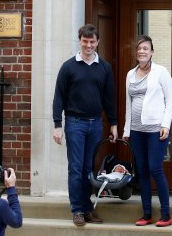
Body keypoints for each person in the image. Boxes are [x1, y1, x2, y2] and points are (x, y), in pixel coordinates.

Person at [52, 24, 118, 226]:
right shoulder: (68, 67)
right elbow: (58, 97)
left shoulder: (104, 67)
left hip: (95, 124)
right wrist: (57, 124)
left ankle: (87, 208)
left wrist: (113, 123)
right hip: (75, 123)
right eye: (85, 41)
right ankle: (77, 210)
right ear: (79, 41)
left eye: (92, 41)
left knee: (89, 169)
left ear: (97, 42)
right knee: (75, 168)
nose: (88, 45)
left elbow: (109, 98)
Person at [122, 35, 172, 227]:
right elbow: (129, 103)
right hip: (136, 131)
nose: (142, 51)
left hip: (156, 130)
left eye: (145, 48)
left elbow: (170, 101)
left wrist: (166, 125)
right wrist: (127, 129)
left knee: (155, 168)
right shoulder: (130, 74)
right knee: (142, 171)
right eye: (139, 49)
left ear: (152, 51)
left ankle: (166, 214)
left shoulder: (161, 72)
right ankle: (146, 214)